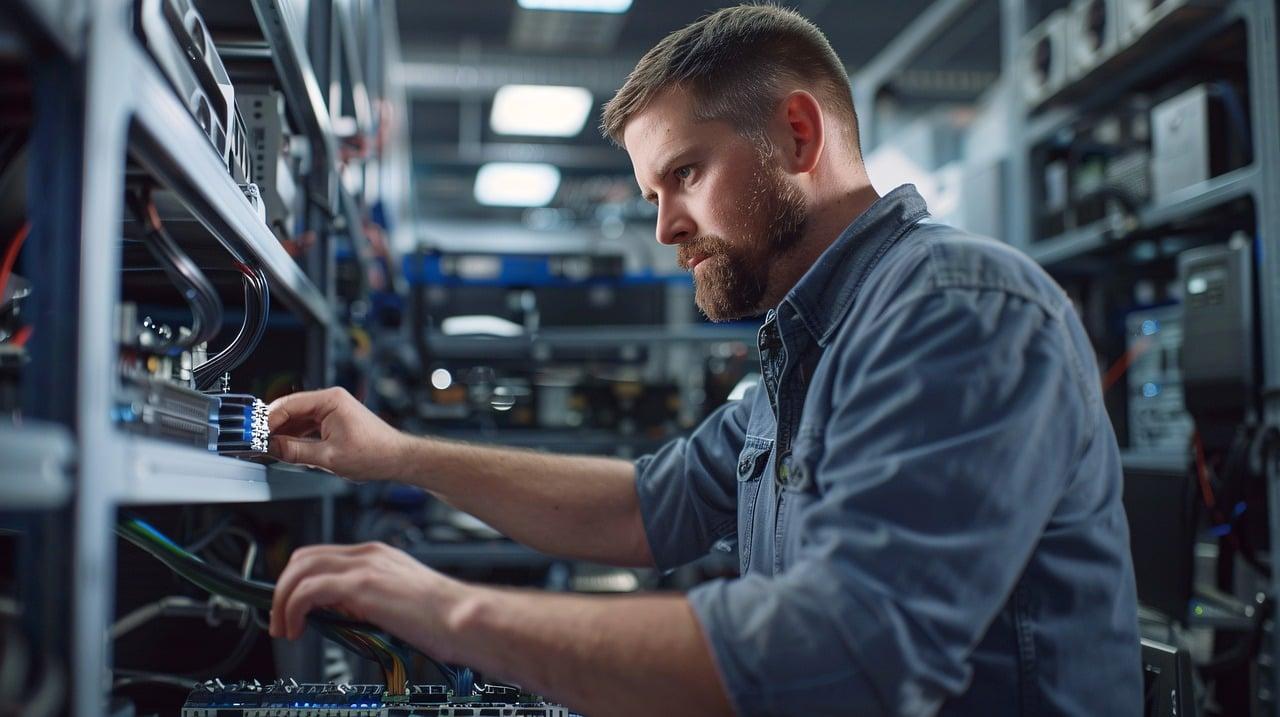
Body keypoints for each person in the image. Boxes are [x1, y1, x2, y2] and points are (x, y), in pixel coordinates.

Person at [266, 5, 1142, 715]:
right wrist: (398, 454)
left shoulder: (954, 309)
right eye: (653, 193)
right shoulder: (805, 350)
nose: (663, 228)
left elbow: (845, 657)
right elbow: (646, 507)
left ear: (798, 136)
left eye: (684, 174)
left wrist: (449, 611)